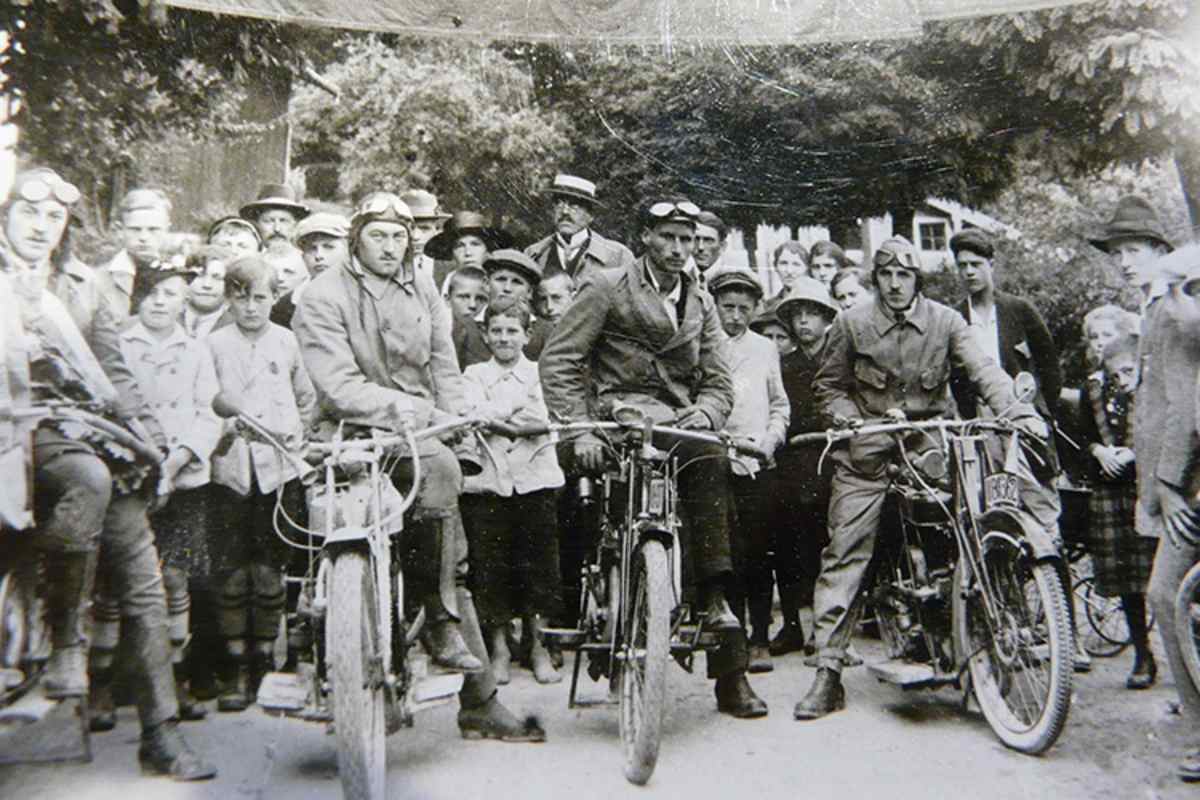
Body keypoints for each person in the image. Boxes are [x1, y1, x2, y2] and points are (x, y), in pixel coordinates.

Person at [293, 191, 544, 741]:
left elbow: (444, 366)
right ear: (356, 236)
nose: (389, 245)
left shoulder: (423, 288)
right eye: (378, 234)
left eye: (399, 235)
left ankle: (446, 635)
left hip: (418, 433)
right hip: (347, 430)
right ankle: (324, 643)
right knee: (331, 535)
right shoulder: (321, 294)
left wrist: (456, 421)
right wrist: (414, 410)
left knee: (444, 499)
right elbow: (335, 384)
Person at [1, 166, 216, 779]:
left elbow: (113, 373)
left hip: (80, 438)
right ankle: (58, 641)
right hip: (8, 435)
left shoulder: (80, 286)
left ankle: (161, 732)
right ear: (5, 214)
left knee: (141, 571)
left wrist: (153, 445)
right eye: (28, 214)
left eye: (54, 218)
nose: (40, 228)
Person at [794, 236, 1045, 721]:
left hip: (929, 448)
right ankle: (827, 673)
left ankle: (974, 651)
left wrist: (1018, 411)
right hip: (866, 451)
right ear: (876, 279)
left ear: (917, 280)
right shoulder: (851, 323)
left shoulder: (947, 322)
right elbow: (828, 385)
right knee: (846, 551)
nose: (893, 283)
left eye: (903, 275)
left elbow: (984, 371)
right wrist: (846, 417)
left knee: (968, 534)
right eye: (885, 274)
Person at [540, 196, 768, 719]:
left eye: (687, 240)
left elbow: (716, 377)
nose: (678, 249)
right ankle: (601, 610)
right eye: (667, 237)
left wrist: (707, 413)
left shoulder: (701, 300)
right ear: (645, 237)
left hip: (676, 423)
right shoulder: (606, 285)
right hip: (614, 421)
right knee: (594, 506)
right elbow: (560, 360)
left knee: (712, 462)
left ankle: (724, 645)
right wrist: (580, 429)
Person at [1090, 197, 1199, 781]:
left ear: (1162, 253)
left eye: (1134, 251)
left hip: (1189, 484)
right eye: (1117, 254)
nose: (1125, 262)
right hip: (1172, 481)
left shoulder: (1176, 310)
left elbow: (1188, 402)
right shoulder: (1154, 308)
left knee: (1166, 598)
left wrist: (1170, 486)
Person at [946, 227, 1074, 665]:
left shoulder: (1019, 311)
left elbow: (1050, 368)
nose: (969, 274)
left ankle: (1065, 637)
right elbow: (955, 379)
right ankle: (1013, 628)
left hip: (1025, 433)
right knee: (998, 523)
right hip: (982, 438)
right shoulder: (953, 318)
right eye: (961, 266)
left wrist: (1040, 412)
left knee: (1043, 523)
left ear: (991, 266)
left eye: (976, 265)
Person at [207, 255, 317, 711]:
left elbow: (307, 400)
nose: (251, 307)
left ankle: (266, 659)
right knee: (232, 567)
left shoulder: (287, 342)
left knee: (271, 565)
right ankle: (234, 665)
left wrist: (296, 436)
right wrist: (225, 431)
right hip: (231, 471)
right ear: (228, 298)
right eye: (241, 297)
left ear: (275, 298)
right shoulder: (213, 344)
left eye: (261, 297)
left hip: (278, 469)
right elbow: (202, 402)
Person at [117, 265, 222, 720]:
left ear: (185, 302)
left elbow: (209, 412)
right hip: (133, 474)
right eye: (153, 293)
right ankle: (108, 683)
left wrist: (179, 457)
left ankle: (173, 677)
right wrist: (142, 458)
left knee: (176, 577)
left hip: (182, 479)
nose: (162, 302)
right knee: (119, 579)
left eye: (172, 295)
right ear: (138, 297)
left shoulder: (196, 352)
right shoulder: (120, 346)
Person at [462, 297, 565, 686]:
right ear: (486, 336)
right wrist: (512, 418)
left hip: (535, 479)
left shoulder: (543, 375)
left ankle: (538, 647)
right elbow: (471, 415)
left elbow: (542, 419)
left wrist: (497, 417)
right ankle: (500, 648)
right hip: (489, 482)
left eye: (512, 331)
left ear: (528, 334)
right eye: (497, 331)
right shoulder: (473, 375)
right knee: (491, 566)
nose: (504, 338)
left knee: (538, 566)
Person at [708, 267, 790, 674]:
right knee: (726, 553)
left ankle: (760, 635)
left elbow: (779, 404)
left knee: (760, 552)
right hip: (716, 459)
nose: (735, 316)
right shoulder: (703, 343)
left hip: (758, 461)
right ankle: (732, 637)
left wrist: (769, 441)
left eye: (744, 308)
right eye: (727, 306)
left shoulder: (764, 348)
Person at [1077, 330, 1158, 689]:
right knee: (1128, 582)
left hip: (1150, 490)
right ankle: (1143, 654)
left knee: (1166, 577)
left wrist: (1136, 453)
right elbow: (1082, 435)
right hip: (1111, 492)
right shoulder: (1093, 391)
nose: (1122, 382)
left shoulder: (1156, 388)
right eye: (1115, 376)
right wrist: (1099, 452)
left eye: (1127, 372)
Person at [770, 277, 840, 658]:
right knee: (788, 540)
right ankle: (794, 624)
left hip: (835, 457)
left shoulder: (840, 359)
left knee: (832, 540)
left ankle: (828, 627)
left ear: (826, 318)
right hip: (795, 459)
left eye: (812, 314)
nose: (804, 323)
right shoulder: (785, 366)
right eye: (797, 315)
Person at [523, 173, 634, 284]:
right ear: (552, 210)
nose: (565, 212)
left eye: (574, 205)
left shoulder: (618, 256)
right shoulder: (533, 254)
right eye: (560, 204)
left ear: (590, 215)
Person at [98, 188, 174, 317]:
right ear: (120, 230)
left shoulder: (178, 278)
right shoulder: (98, 281)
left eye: (153, 229)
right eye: (135, 229)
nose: (144, 237)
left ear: (166, 230)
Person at [271, 211, 350, 328]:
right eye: (312, 248)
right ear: (303, 256)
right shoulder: (285, 307)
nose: (319, 255)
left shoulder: (367, 296)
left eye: (328, 247)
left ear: (348, 252)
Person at [239, 182, 309, 256]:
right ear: (257, 224)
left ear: (295, 224)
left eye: (283, 221)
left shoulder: (305, 261)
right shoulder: (248, 258)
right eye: (269, 221)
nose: (277, 229)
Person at [181, 245, 235, 338]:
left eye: (217, 277)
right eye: (199, 276)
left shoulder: (238, 328)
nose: (207, 285)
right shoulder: (165, 318)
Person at [401, 188, 452, 284]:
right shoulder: (385, 269)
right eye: (409, 228)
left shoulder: (450, 271)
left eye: (424, 229)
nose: (415, 236)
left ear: (437, 231)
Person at [764, 241, 809, 314]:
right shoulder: (767, 307)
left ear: (806, 268)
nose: (789, 271)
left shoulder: (815, 302)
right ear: (775, 267)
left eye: (796, 264)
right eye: (783, 263)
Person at [689, 210, 729, 286]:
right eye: (696, 239)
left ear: (722, 246)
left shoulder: (732, 280)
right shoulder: (682, 279)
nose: (700, 247)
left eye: (708, 240)